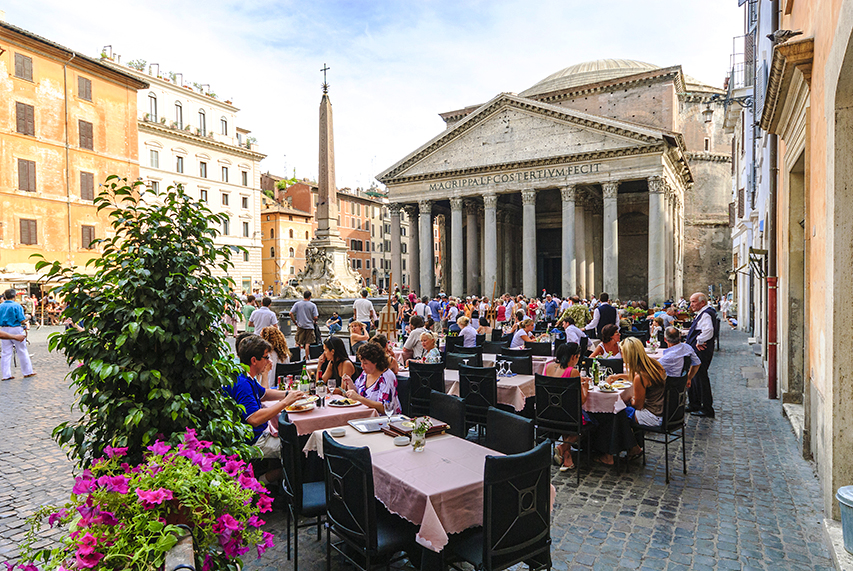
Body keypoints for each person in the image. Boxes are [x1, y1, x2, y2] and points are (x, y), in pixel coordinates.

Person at [222, 335, 304, 483]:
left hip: (254, 435)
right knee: (297, 447)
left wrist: (289, 393)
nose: (269, 361)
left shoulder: (243, 375)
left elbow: (264, 393)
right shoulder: (243, 384)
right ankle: (262, 482)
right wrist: (285, 402)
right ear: (254, 360)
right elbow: (254, 419)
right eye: (266, 357)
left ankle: (274, 480)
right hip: (252, 441)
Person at [545, 342, 587, 471]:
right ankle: (563, 447)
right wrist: (585, 387)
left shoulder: (548, 367)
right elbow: (582, 401)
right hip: (568, 417)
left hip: (548, 413)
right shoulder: (573, 372)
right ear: (574, 357)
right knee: (592, 420)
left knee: (566, 414)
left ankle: (567, 456)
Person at [619, 337, 668, 428]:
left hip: (652, 416)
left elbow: (638, 406)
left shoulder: (641, 377)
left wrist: (630, 399)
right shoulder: (655, 365)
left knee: (616, 411)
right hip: (664, 412)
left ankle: (628, 441)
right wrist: (618, 376)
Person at [342, 342, 401, 415]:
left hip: (384, 420)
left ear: (375, 362)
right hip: (365, 415)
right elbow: (357, 392)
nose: (362, 366)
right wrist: (350, 384)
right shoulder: (365, 373)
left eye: (365, 363)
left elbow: (384, 408)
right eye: (361, 362)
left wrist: (359, 398)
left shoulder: (387, 377)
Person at [686, 292, 718, 418]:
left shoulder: (705, 314)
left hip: (701, 352)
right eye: (691, 302)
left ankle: (706, 408)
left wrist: (699, 340)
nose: (691, 304)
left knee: (700, 377)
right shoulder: (704, 313)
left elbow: (709, 330)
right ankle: (695, 403)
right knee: (695, 377)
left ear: (702, 302)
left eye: (694, 302)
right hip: (697, 351)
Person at [0, 289, 34, 381]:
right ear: (14, 296)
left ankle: (6, 375)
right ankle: (27, 372)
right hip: (16, 329)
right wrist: (28, 317)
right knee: (22, 350)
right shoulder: (17, 306)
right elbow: (21, 320)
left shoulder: (0, 306)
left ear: (4, 296)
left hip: (3, 329)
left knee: (5, 352)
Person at [289, 290, 319, 356]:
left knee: (298, 342)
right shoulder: (313, 305)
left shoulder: (297, 304)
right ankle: (306, 359)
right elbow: (316, 317)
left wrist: (294, 322)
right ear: (310, 297)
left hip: (300, 325)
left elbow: (290, 313)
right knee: (308, 343)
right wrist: (314, 320)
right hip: (309, 326)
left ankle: (297, 357)